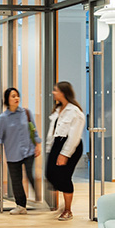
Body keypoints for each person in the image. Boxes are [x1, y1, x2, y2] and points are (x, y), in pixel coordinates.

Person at [44, 82, 85, 220]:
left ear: (63, 92)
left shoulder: (75, 112)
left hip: (69, 145)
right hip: (57, 143)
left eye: (56, 91)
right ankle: (64, 201)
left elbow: (74, 136)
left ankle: (68, 210)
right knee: (50, 173)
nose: (53, 93)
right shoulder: (58, 109)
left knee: (65, 177)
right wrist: (50, 147)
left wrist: (65, 154)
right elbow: (53, 131)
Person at [0, 88, 38, 214]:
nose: (16, 98)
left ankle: (39, 199)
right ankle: (21, 206)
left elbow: (34, 130)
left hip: (28, 151)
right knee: (16, 180)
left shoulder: (26, 113)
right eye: (13, 96)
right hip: (12, 152)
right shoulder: (3, 118)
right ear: (7, 99)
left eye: (17, 96)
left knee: (30, 174)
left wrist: (38, 144)